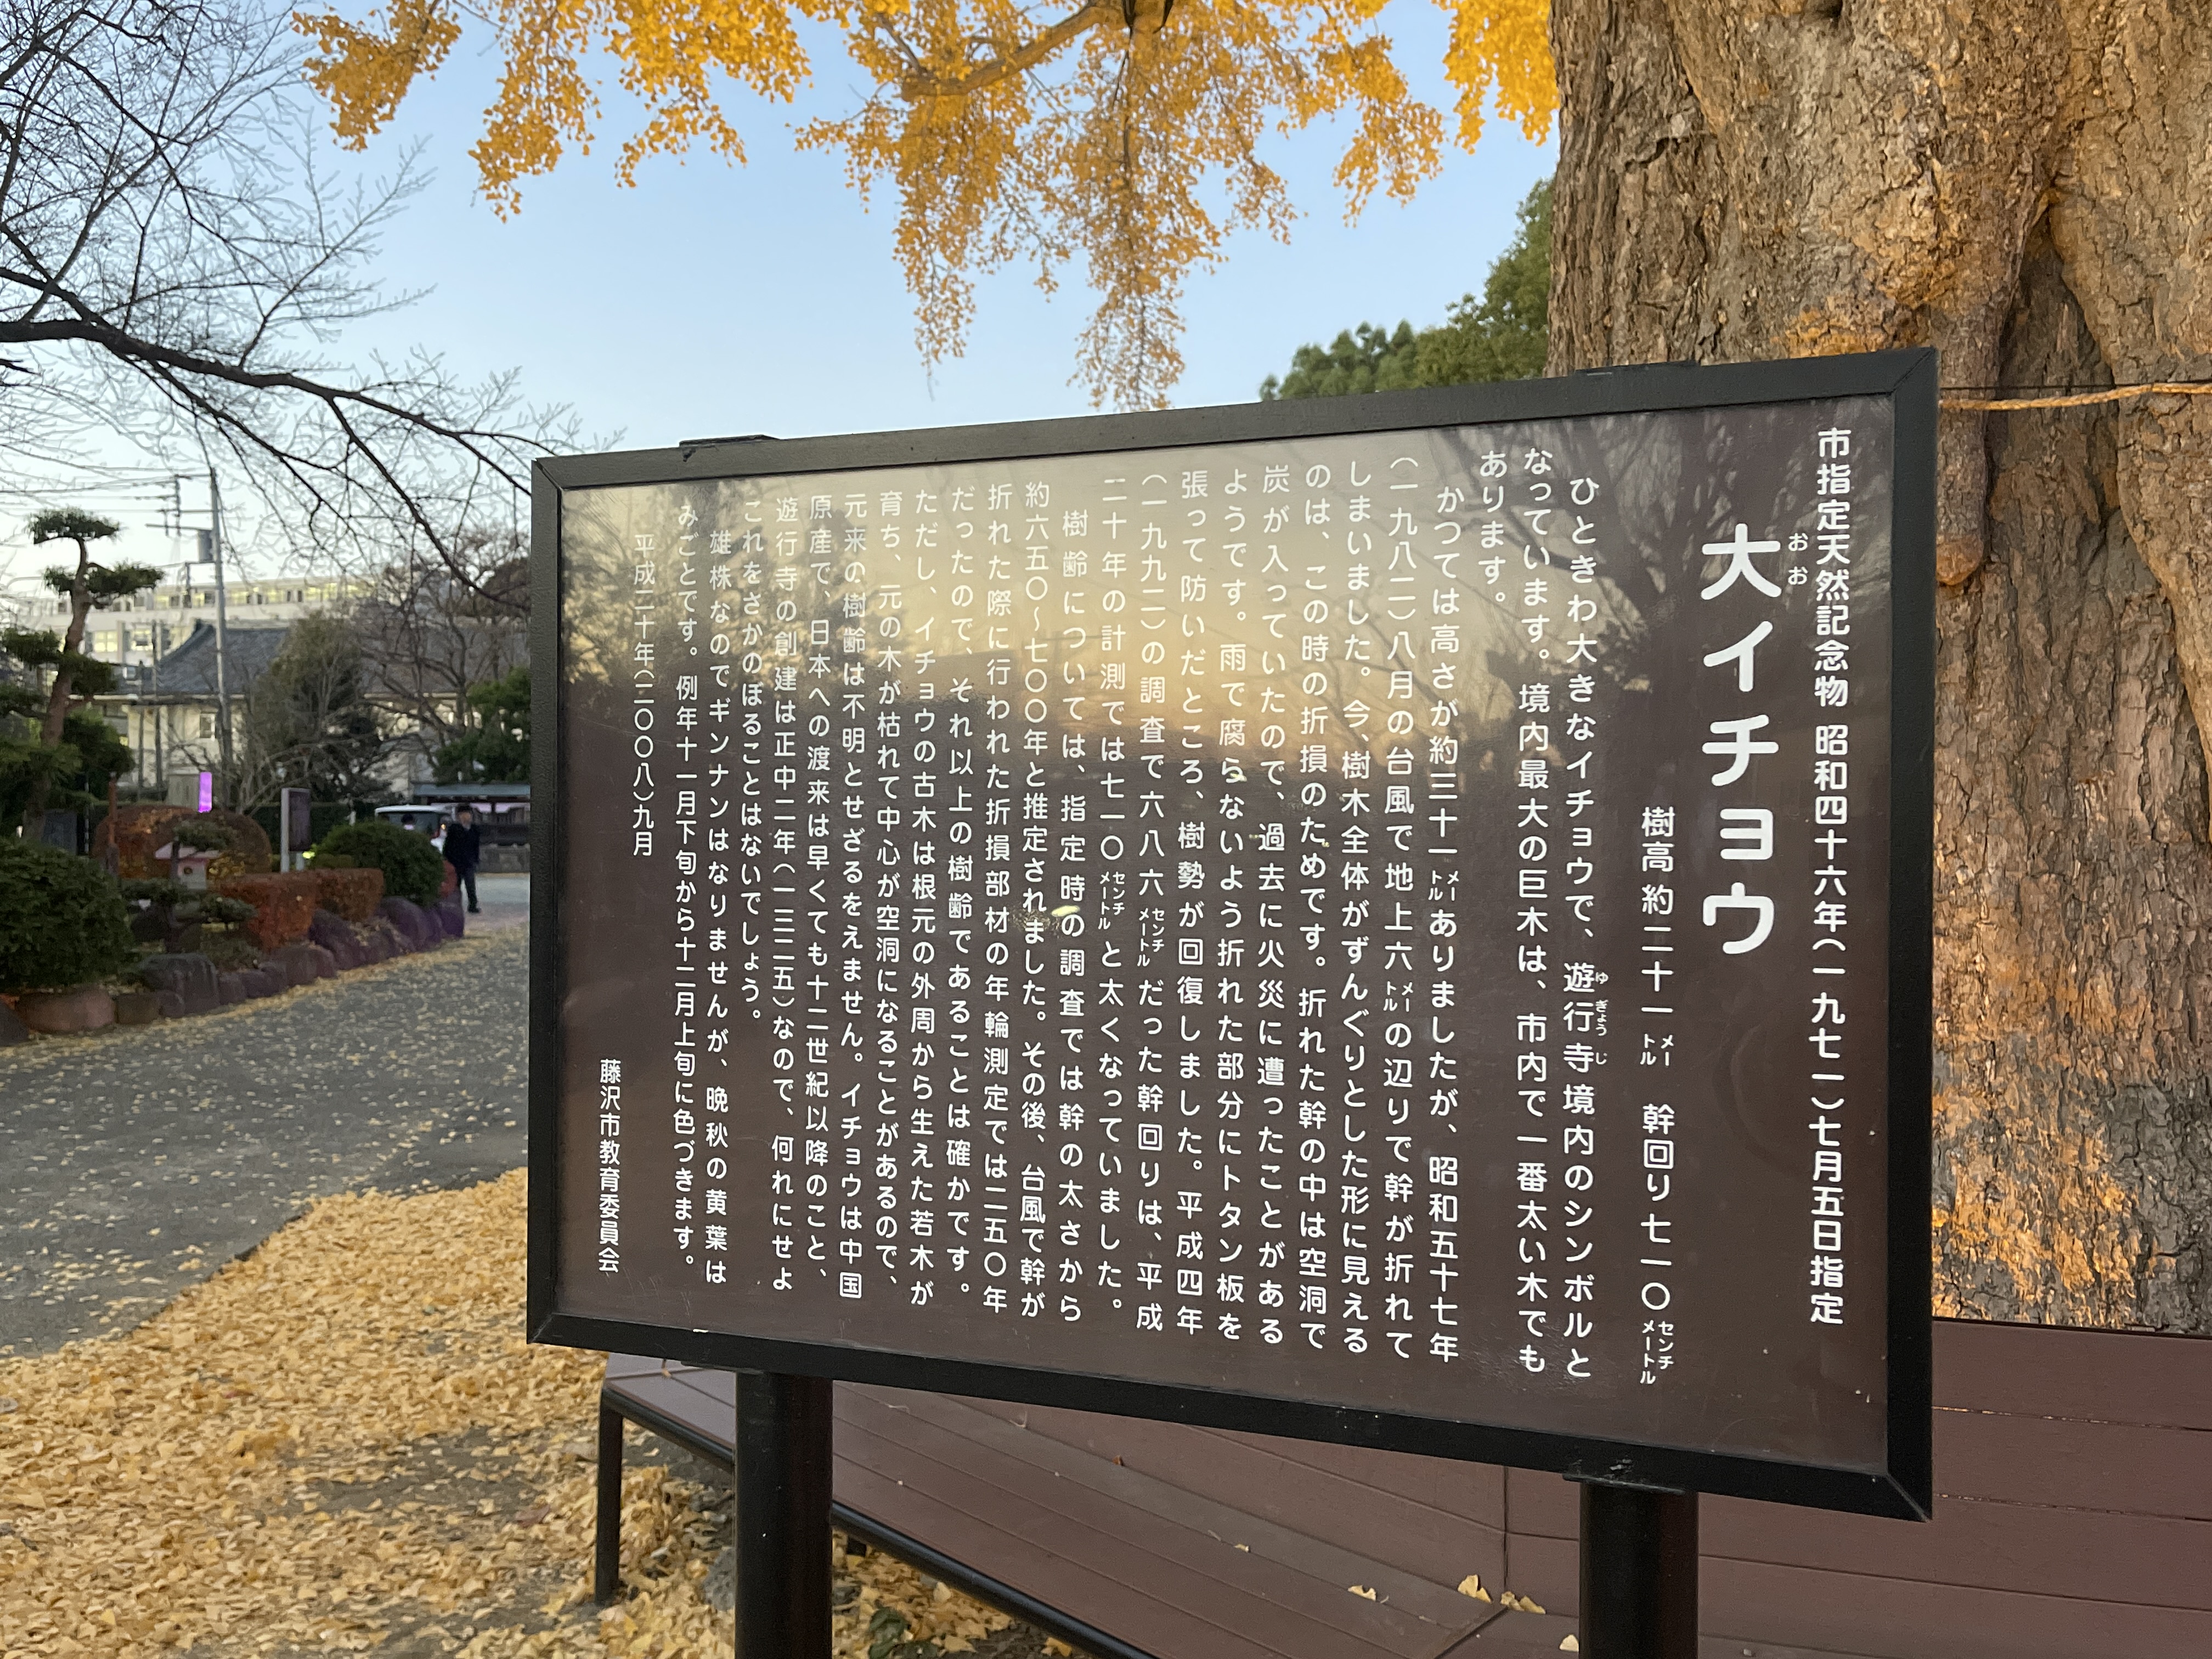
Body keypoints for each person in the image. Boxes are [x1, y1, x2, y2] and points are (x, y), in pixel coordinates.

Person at [444, 804, 483, 913]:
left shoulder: (474, 829)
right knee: (455, 886)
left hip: (469, 862)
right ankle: (454, 905)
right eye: (463, 815)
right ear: (458, 816)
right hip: (455, 862)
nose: (466, 817)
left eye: (468, 814)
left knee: (470, 885)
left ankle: (473, 905)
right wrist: (447, 859)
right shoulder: (454, 829)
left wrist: (476, 859)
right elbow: (448, 846)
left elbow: (476, 846)